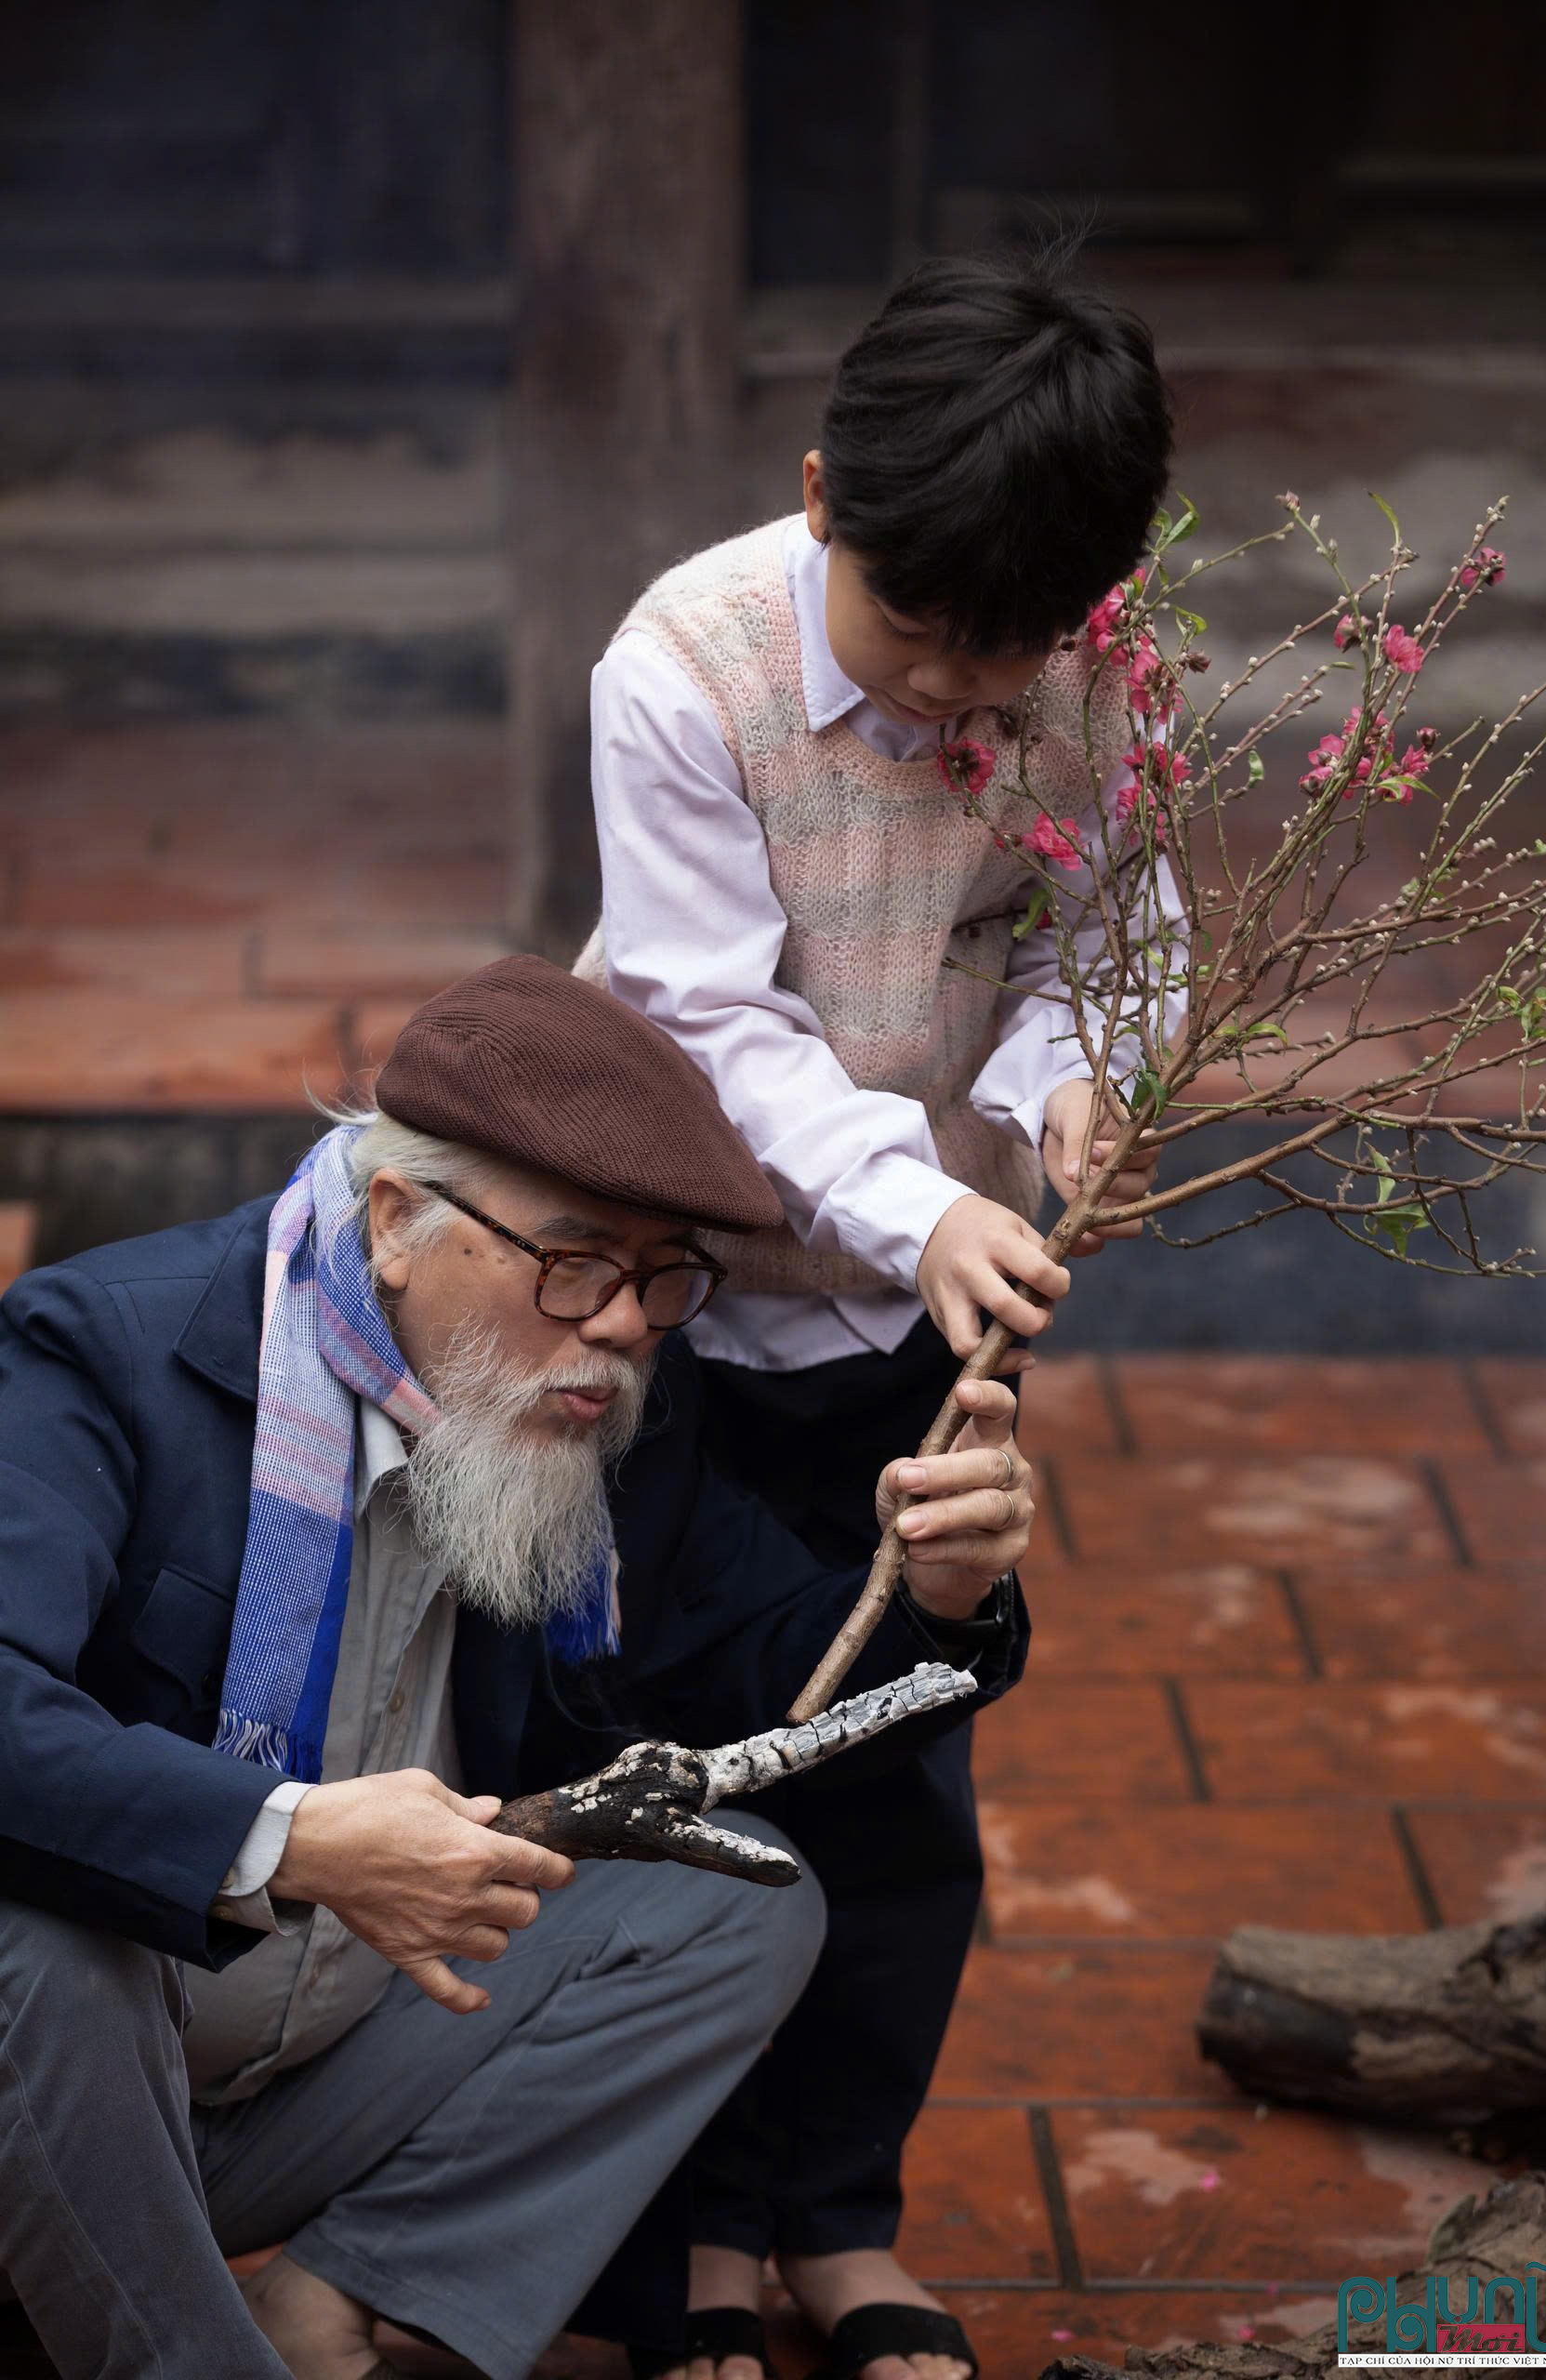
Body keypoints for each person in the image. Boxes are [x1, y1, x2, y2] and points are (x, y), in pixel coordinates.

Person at [0, 957, 1036, 2380]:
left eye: (661, 1273)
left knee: (735, 1896)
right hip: (52, 2096)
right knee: (41, 1926)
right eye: (573, 1260)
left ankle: (339, 2291)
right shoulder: (101, 1356)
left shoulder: (592, 1411)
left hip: (281, 2104)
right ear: (398, 1223)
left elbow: (775, 1677)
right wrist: (286, 1839)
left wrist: (939, 1595)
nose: (619, 1324)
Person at [582, 248, 1186, 2380]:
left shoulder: (1092, 663)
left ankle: (831, 2217)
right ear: (824, 495)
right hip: (664, 1291)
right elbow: (701, 1024)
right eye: (924, 639)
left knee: (894, 1767)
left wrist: (1075, 1076)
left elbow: (1096, 936)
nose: (962, 699)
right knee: (668, 1752)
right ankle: (684, 2240)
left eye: (1007, 656)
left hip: (924, 1303)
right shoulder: (684, 664)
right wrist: (913, 1192)